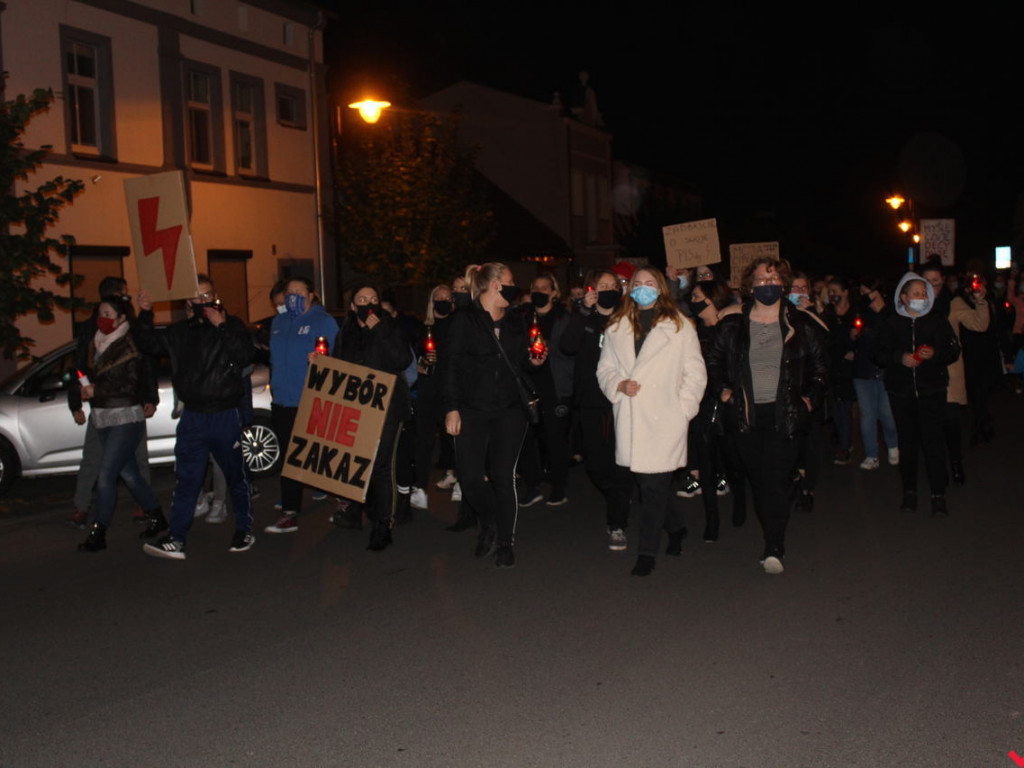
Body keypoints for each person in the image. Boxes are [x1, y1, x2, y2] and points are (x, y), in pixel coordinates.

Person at [706, 258, 828, 574]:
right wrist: (723, 391)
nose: (766, 285)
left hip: (784, 413)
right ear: (749, 286)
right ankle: (783, 497)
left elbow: (820, 367)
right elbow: (715, 361)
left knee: (772, 479)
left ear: (783, 283)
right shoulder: (733, 323)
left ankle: (774, 546)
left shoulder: (800, 324)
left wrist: (809, 399)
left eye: (772, 279)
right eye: (760, 280)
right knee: (760, 480)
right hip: (745, 414)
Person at [135, 276, 256, 560]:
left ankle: (244, 528)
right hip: (193, 418)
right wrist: (145, 312)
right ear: (187, 301)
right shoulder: (179, 332)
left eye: (208, 295)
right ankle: (176, 537)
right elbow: (147, 343)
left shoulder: (232, 325)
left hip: (225, 414)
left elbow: (245, 355)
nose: (203, 301)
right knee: (187, 479)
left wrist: (222, 326)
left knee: (235, 476)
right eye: (197, 297)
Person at [596, 266, 706, 577]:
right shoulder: (616, 325)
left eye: (650, 283)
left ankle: (647, 552)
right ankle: (677, 527)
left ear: (661, 288)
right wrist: (618, 383)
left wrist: (683, 409)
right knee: (648, 483)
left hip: (664, 417)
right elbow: (604, 368)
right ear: (629, 288)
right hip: (632, 415)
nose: (643, 288)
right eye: (637, 283)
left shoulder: (680, 326)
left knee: (653, 487)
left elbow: (695, 373)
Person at [441, 263, 545, 568]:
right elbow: (450, 367)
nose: (515, 287)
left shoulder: (516, 319)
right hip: (472, 409)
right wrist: (451, 407)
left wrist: (535, 361)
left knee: (503, 476)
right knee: (470, 478)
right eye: (511, 282)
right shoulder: (464, 320)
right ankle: (489, 521)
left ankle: (504, 541)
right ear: (496, 285)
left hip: (510, 410)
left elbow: (520, 362)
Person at [75, 296, 164, 551]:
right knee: (129, 474)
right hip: (102, 417)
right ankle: (157, 516)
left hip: (126, 416)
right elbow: (83, 371)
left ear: (122, 317)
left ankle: (98, 531)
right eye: (100, 312)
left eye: (108, 312)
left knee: (106, 475)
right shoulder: (95, 343)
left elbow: (129, 383)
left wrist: (97, 389)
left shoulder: (129, 344)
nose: (102, 317)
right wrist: (85, 389)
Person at [331, 282, 413, 551]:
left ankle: (383, 525)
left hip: (388, 408)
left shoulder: (389, 326)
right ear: (353, 306)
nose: (368, 303)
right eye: (362, 299)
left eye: (373, 298)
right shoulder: (347, 333)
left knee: (382, 466)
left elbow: (401, 359)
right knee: (359, 464)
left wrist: (379, 330)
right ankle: (359, 509)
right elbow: (340, 367)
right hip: (359, 408)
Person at [873, 273, 960, 516]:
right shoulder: (891, 322)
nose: (921, 297)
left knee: (933, 442)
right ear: (903, 296)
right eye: (916, 293)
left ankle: (938, 495)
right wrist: (898, 358)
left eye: (924, 293)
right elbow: (877, 352)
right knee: (907, 442)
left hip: (932, 390)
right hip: (901, 391)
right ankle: (909, 492)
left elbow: (953, 350)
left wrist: (935, 354)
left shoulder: (937, 320)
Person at [560, 269, 633, 551]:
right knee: (597, 464)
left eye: (612, 285)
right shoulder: (585, 319)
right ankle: (618, 494)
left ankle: (617, 523)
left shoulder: (628, 320)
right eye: (601, 285)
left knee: (621, 462)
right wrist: (583, 312)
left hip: (620, 400)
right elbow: (567, 346)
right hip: (590, 401)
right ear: (592, 290)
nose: (607, 289)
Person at [263, 277, 339, 534]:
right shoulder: (279, 322)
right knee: (289, 460)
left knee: (320, 456)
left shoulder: (323, 321)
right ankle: (290, 513)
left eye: (299, 291)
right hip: (283, 401)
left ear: (311, 295)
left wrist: (324, 359)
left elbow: (338, 358)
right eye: (289, 292)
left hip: (310, 399)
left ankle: (344, 500)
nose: (292, 296)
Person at [921, 261, 988, 484]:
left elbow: (979, 325)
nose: (931, 285)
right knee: (931, 424)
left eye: (936, 281)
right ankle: (937, 468)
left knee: (950, 421)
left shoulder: (953, 303)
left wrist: (980, 302)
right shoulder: (915, 303)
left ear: (943, 282)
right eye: (927, 280)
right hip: (924, 371)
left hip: (949, 371)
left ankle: (956, 462)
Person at [518, 272, 573, 507]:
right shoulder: (522, 317)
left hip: (554, 384)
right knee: (526, 438)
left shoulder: (564, 317)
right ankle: (532, 485)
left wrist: (544, 346)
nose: (540, 291)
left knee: (554, 438)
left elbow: (568, 348)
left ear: (554, 292)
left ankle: (558, 486)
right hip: (529, 383)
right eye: (535, 288)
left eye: (544, 288)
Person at [412, 284, 459, 511]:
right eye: (438, 297)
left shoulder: (458, 325)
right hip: (428, 388)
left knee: (453, 438)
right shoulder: (424, 328)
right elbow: (414, 357)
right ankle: (419, 487)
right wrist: (420, 364)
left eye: (447, 297)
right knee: (424, 439)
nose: (443, 300)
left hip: (449, 389)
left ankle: (460, 479)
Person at [851, 278, 899, 470]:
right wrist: (855, 337)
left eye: (868, 291)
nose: (865, 296)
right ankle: (872, 454)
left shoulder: (892, 312)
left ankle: (893, 446)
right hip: (863, 370)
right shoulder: (862, 313)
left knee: (887, 413)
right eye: (862, 292)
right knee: (867, 414)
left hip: (886, 369)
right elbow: (857, 341)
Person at [823, 277, 858, 464]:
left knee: (845, 406)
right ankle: (843, 442)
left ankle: (845, 445)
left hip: (850, 368)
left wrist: (855, 344)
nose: (832, 295)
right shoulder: (828, 315)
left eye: (836, 291)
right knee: (837, 406)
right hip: (834, 366)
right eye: (830, 292)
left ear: (845, 292)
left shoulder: (855, 313)